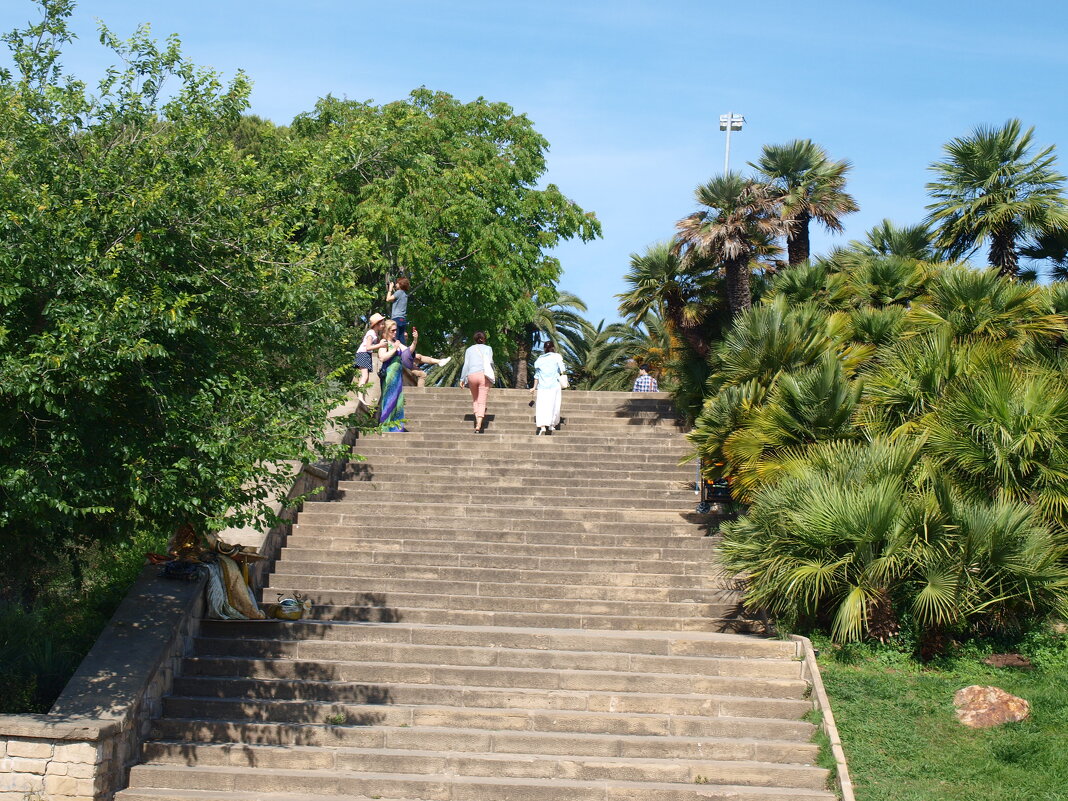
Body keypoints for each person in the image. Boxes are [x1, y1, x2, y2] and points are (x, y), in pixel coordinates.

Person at [460, 331, 494, 434]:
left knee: (475, 400)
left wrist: (462, 379)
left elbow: (466, 365)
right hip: (483, 375)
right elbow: (490, 362)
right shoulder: (488, 348)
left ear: (474, 339)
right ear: (484, 339)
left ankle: (477, 422)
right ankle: (479, 425)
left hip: (471, 376)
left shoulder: (469, 350)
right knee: (482, 401)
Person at [378, 320, 409, 432]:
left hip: (398, 376)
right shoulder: (384, 342)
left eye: (396, 330)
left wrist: (414, 340)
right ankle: (386, 427)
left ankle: (397, 426)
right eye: (393, 330)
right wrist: (395, 349)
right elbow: (382, 357)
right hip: (389, 375)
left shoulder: (397, 342)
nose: (395, 332)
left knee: (398, 400)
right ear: (387, 331)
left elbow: (408, 352)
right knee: (389, 399)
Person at [530, 341, 566, 435]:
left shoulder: (539, 360)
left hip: (542, 387)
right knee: (554, 405)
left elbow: (537, 375)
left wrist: (534, 387)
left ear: (544, 349)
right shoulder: (557, 357)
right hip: (554, 385)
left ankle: (542, 426)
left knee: (542, 406)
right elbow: (563, 369)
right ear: (553, 348)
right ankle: (551, 424)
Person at [353, 313, 389, 389]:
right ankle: (359, 393)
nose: (383, 326)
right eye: (382, 324)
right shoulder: (371, 333)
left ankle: (362, 394)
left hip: (367, 354)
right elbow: (368, 347)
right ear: (376, 324)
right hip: (363, 354)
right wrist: (380, 345)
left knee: (367, 378)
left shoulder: (375, 334)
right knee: (365, 376)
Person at [386, 277, 410, 344]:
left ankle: (394, 353)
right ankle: (403, 353)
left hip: (396, 318)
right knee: (401, 339)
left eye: (397, 283)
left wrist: (390, 289)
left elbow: (388, 299)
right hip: (403, 319)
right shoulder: (405, 294)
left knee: (394, 338)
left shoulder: (399, 292)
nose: (396, 284)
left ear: (400, 284)